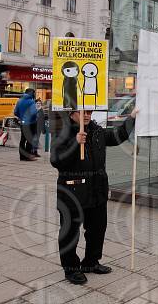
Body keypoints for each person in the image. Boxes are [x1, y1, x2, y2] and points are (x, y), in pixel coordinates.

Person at [51, 108, 137, 284]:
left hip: (96, 190)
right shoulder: (63, 132)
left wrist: (132, 118)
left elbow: (117, 136)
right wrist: (75, 143)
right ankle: (71, 269)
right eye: (83, 112)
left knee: (97, 229)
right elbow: (56, 161)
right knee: (70, 233)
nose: (87, 115)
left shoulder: (97, 131)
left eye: (89, 112)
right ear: (71, 114)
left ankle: (91, 262)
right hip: (72, 192)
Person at [14, 88, 39, 161]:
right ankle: (28, 156)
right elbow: (34, 113)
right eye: (34, 93)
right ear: (31, 93)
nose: (34, 94)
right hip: (31, 123)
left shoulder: (19, 101)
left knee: (22, 140)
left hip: (23, 123)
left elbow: (15, 112)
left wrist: (22, 118)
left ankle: (22, 157)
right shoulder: (31, 101)